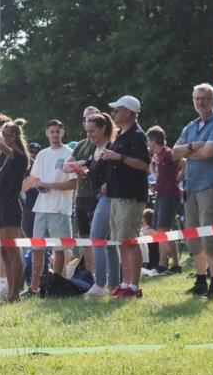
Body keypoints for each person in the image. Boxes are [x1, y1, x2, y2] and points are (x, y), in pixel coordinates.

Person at [172, 83, 213, 300]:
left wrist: (189, 151)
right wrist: (192, 147)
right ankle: (200, 281)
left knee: (209, 237)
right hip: (191, 186)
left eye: (205, 98)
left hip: (211, 186)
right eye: (197, 98)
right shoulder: (190, 126)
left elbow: (208, 153)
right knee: (193, 238)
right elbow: (174, 153)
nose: (201, 102)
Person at [101, 96, 151, 299]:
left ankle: (133, 286)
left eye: (118, 110)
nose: (114, 114)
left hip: (131, 196)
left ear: (129, 112)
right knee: (121, 241)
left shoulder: (138, 136)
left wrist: (118, 157)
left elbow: (143, 164)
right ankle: (125, 282)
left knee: (130, 240)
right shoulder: (121, 135)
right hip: (117, 194)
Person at [27, 120, 77, 295]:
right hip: (41, 207)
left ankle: (56, 285)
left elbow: (73, 183)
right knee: (37, 250)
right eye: (52, 132)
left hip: (60, 208)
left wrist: (50, 185)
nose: (55, 135)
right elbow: (35, 178)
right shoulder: (42, 154)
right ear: (47, 133)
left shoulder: (70, 153)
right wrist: (38, 185)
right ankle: (34, 287)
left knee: (59, 250)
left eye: (58, 131)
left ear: (63, 133)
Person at [76, 114, 121, 296]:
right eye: (87, 131)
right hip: (98, 198)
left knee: (96, 238)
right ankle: (113, 285)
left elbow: (117, 171)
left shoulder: (111, 147)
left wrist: (109, 184)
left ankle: (100, 283)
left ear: (103, 128)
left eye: (92, 131)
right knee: (109, 243)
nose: (90, 135)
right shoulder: (94, 149)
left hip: (109, 198)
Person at [0, 119, 30, 302]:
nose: (2, 136)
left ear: (13, 136)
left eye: (6, 133)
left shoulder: (19, 155)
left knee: (13, 250)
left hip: (10, 205)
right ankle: (9, 292)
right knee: (5, 252)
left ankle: (15, 293)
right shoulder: (6, 157)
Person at [146, 126, 182, 273]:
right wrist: (156, 183)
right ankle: (175, 264)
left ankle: (162, 264)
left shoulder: (168, 153)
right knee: (166, 230)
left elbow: (184, 163)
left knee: (162, 229)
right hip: (161, 194)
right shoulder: (158, 156)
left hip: (169, 194)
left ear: (154, 140)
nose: (147, 144)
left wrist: (178, 179)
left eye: (148, 140)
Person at [71, 107, 101, 274]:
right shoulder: (81, 144)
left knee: (98, 238)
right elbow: (65, 166)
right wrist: (81, 164)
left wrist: (78, 164)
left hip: (95, 194)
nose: (88, 122)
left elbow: (75, 165)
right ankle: (91, 273)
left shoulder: (102, 143)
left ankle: (101, 274)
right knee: (84, 237)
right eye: (86, 119)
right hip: (80, 195)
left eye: (92, 118)